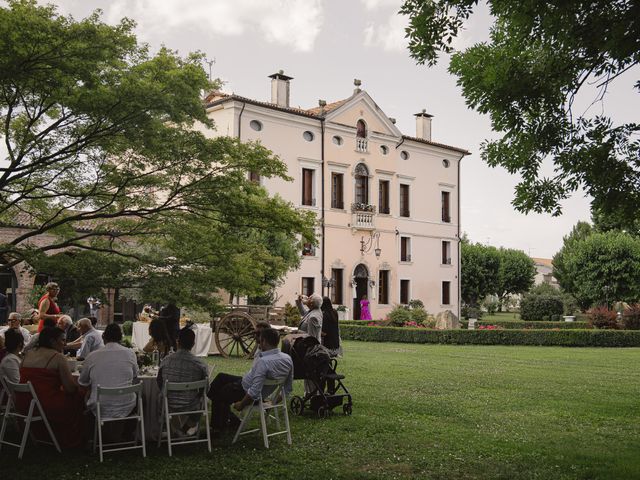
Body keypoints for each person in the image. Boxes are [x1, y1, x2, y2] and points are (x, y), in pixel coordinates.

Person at [207, 328, 293, 435]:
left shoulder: (264, 362)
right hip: (246, 383)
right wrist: (274, 401)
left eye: (260, 340)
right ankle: (232, 420)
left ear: (264, 341)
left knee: (219, 394)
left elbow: (254, 391)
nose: (258, 343)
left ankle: (217, 428)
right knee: (221, 377)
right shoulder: (288, 359)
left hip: (244, 391)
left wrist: (241, 404)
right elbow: (288, 388)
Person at [19, 326, 85, 449]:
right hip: (44, 403)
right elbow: (70, 388)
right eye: (62, 340)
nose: (65, 343)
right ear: (52, 341)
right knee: (78, 398)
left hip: (23, 403)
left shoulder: (28, 354)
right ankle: (71, 437)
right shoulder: (57, 357)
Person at [78, 323, 138, 441]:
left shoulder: (92, 356)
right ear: (120, 338)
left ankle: (91, 437)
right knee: (143, 399)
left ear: (104, 337)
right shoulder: (130, 353)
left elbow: (82, 382)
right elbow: (136, 375)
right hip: (126, 404)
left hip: (100, 405)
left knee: (84, 397)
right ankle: (127, 435)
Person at [157, 328, 209, 436]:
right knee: (203, 400)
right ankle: (185, 428)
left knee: (160, 396)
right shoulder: (200, 364)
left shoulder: (166, 361)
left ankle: (173, 429)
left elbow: (159, 382)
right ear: (193, 344)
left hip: (168, 403)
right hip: (191, 404)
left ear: (177, 341)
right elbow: (205, 388)